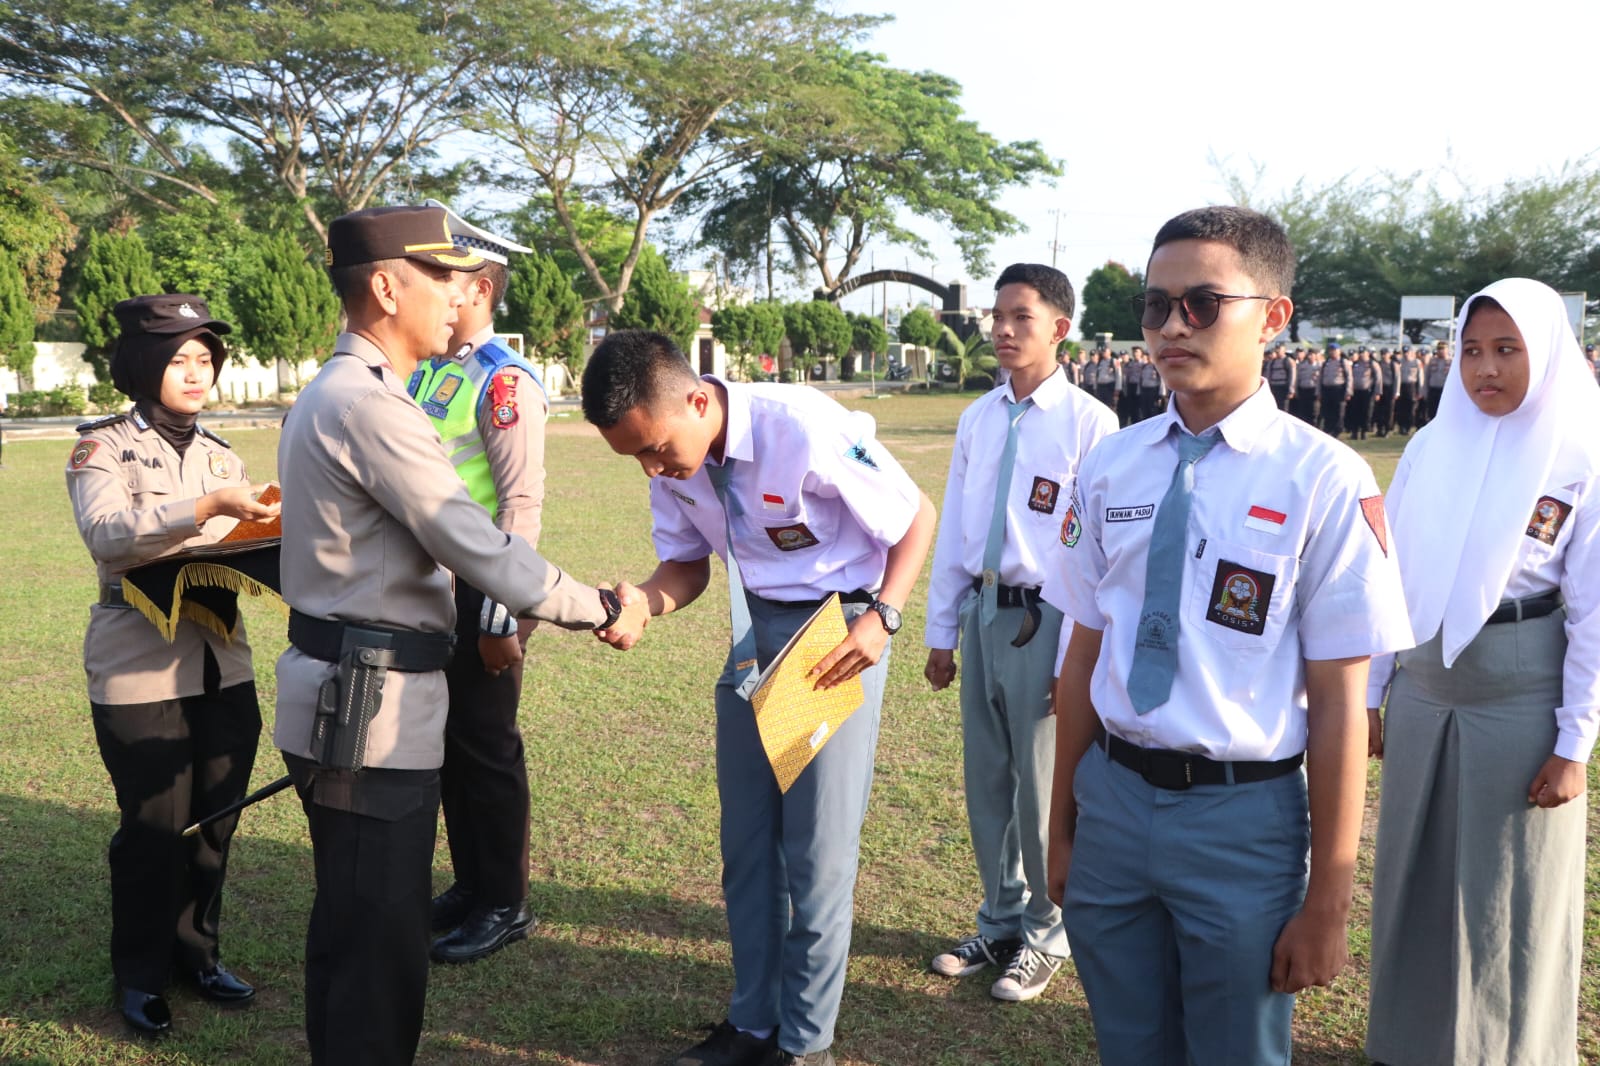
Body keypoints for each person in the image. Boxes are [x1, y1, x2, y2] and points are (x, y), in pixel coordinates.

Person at [274, 204, 645, 1065]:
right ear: (383, 285)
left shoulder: (338, 394)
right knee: (379, 949)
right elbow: (477, 542)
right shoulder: (370, 407)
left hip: (347, 694)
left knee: (352, 925)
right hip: (371, 708)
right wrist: (599, 607)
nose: (459, 294)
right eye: (439, 276)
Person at [1043, 206, 1412, 1066]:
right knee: (1128, 1045)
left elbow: (1339, 704)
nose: (1172, 327)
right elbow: (1083, 655)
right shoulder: (1109, 465)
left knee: (1236, 1051)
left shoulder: (1323, 477)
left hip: (1242, 818)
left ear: (1273, 317)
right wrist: (1063, 824)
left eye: (1203, 304)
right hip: (1117, 803)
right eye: (1155, 305)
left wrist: (1329, 899)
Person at [582, 330, 936, 1066]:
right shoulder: (671, 459)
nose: (653, 467)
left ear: (698, 399)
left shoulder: (799, 425)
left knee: (815, 853)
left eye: (656, 449)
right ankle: (752, 1026)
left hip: (832, 636)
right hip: (755, 636)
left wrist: (885, 617)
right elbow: (685, 566)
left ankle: (804, 1045)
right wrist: (645, 602)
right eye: (637, 459)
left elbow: (913, 518)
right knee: (748, 848)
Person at [1364, 278, 1600, 1066]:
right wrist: (1372, 692)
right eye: (1470, 350)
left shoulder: (1583, 452)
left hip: (1521, 695)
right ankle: (1411, 1044)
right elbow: (1388, 569)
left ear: (1549, 352)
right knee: (1416, 875)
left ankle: (1510, 1052)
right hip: (1426, 690)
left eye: (1507, 350)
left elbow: (1595, 616)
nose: (1484, 370)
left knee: (1510, 895)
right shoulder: (1435, 443)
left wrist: (1575, 745)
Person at [66, 294, 280, 1036]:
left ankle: (198, 953)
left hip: (224, 664)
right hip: (138, 669)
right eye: (177, 359)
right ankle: (140, 974)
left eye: (204, 360)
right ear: (142, 365)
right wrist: (205, 508)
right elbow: (108, 536)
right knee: (154, 828)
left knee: (214, 824)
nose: (195, 373)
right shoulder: (103, 448)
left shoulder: (225, 453)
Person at [923, 264, 1116, 1003]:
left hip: (1053, 620)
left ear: (1059, 328)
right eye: (996, 317)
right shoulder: (978, 418)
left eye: (1021, 318)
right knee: (989, 785)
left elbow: (1099, 552)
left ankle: (1047, 932)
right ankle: (999, 918)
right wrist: (943, 631)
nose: (1002, 330)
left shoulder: (1089, 425)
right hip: (986, 611)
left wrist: (1078, 660)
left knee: (1044, 788)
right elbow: (957, 535)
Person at [404, 202, 549, 965]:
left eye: (448, 280)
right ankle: (469, 885)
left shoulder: (503, 384)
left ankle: (504, 902)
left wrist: (504, 616)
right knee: (450, 747)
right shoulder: (431, 372)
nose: (436, 291)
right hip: (428, 590)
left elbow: (519, 509)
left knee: (488, 747)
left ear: (481, 290)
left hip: (478, 593)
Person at [1318, 340, 1351, 436]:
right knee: (1328, 411)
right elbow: (1321, 378)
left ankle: (1337, 430)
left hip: (1339, 389)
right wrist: (1319, 392)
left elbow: (1349, 377)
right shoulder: (1326, 363)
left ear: (1339, 351)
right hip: (1327, 390)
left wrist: (1348, 392)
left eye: (1334, 350)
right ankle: (1328, 429)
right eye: (1330, 350)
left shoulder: (1343, 362)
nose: (1332, 352)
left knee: (1338, 411)